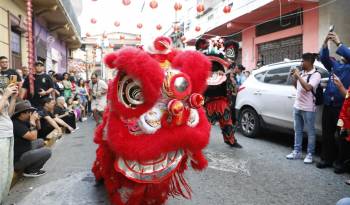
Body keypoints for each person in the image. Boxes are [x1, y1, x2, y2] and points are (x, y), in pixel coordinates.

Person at [317, 32, 350, 171]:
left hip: (342, 107)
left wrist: (339, 43)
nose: (342, 55)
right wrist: (325, 41)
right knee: (327, 134)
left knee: (342, 136)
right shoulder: (335, 65)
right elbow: (323, 57)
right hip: (329, 105)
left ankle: (341, 162)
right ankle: (327, 159)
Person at [286, 53, 321, 164]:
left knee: (310, 132)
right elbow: (296, 86)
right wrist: (294, 76)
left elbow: (307, 88)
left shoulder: (316, 75)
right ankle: (297, 152)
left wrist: (299, 76)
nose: (301, 63)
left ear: (309, 62)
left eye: (303, 61)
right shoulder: (302, 73)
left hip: (308, 108)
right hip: (297, 106)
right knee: (298, 131)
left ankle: (310, 154)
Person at [12, 100, 51, 177]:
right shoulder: (16, 124)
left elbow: (38, 128)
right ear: (22, 114)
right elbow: (33, 137)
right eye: (29, 112)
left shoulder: (23, 120)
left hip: (24, 150)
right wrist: (32, 121)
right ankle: (31, 171)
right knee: (47, 151)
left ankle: (32, 164)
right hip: (18, 160)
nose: (31, 113)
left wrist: (37, 120)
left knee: (40, 141)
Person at [0, 83, 18, 204]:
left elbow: (9, 114)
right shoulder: (3, 93)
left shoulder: (2, 91)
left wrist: (13, 98)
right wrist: (5, 96)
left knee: (8, 171)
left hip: (8, 134)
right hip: (1, 136)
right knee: (1, 172)